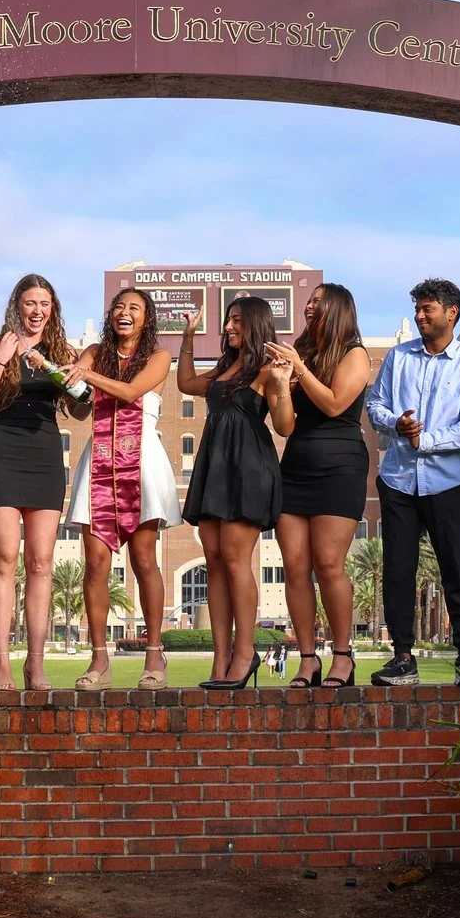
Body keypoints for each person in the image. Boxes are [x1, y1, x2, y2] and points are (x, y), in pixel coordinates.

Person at [364, 277, 460, 685]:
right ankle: (403, 657)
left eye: (427, 309)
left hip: (447, 484)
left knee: (457, 570)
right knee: (398, 571)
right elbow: (375, 405)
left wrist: (426, 440)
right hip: (398, 482)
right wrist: (396, 424)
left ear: (451, 313)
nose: (419, 316)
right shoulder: (398, 357)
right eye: (417, 309)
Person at [0, 274, 83, 690]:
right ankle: (1, 662)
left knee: (40, 562)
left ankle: (36, 664)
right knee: (3, 558)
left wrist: (68, 377)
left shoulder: (62, 351)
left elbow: (82, 411)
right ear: (17, 305)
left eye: (45, 304)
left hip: (45, 456)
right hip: (2, 451)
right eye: (30, 303)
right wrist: (2, 359)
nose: (37, 311)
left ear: (53, 309)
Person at [63, 286, 179, 688]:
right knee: (95, 563)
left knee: (144, 560)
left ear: (147, 319)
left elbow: (130, 392)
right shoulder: (95, 352)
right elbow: (78, 409)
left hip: (141, 461)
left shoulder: (158, 357)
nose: (124, 312)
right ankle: (99, 661)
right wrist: (68, 381)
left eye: (134, 307)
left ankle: (155, 655)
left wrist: (86, 374)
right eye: (119, 306)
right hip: (98, 461)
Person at [178, 295, 293, 691]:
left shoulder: (268, 368)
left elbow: (285, 426)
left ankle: (245, 653)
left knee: (234, 557)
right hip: (214, 466)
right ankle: (221, 657)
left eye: (238, 321)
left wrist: (283, 385)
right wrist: (188, 337)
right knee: (213, 559)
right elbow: (185, 383)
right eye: (228, 320)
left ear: (256, 324)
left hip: (249, 467)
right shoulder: (224, 367)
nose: (229, 327)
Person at [264, 281, 372, 690]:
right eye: (308, 302)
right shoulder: (301, 353)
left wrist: (300, 370)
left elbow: (334, 403)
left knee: (328, 564)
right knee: (294, 567)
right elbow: (285, 426)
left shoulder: (354, 353)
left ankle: (343, 656)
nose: (309, 307)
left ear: (339, 309)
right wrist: (279, 384)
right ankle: (307, 659)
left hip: (340, 468)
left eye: (318, 302)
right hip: (295, 466)